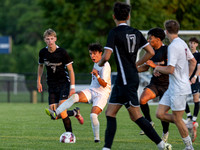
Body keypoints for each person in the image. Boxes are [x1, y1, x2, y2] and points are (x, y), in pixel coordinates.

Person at [98, 2, 171, 150]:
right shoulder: (136, 32)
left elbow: (106, 56)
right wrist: (136, 64)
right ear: (129, 16)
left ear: (114, 17)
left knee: (136, 115)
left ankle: (161, 144)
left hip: (126, 79)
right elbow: (150, 52)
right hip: (123, 78)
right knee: (110, 113)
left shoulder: (114, 32)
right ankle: (106, 148)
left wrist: (100, 63)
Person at [46, 43, 111, 143]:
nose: (92, 56)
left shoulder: (105, 65)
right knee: (74, 97)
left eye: (94, 54)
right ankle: (57, 112)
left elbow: (104, 85)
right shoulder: (96, 63)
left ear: (101, 53)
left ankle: (96, 139)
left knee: (93, 116)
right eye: (90, 54)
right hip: (92, 90)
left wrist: (97, 76)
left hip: (102, 94)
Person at [154, 20, 196, 150]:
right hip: (173, 87)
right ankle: (187, 124)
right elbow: (193, 62)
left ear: (166, 32)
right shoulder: (182, 43)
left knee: (177, 119)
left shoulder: (172, 47)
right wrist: (187, 77)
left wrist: (156, 67)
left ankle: (189, 147)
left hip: (178, 89)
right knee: (160, 114)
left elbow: (170, 70)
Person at [37, 28, 83, 136]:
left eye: (52, 39)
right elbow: (40, 66)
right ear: (44, 40)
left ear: (55, 39)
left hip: (63, 84)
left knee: (61, 111)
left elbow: (71, 70)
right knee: (53, 115)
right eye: (47, 39)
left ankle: (70, 135)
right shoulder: (42, 52)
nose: (50, 41)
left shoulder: (62, 52)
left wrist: (72, 87)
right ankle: (75, 112)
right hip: (51, 85)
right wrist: (38, 81)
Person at [137, 27, 170, 142]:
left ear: (158, 39)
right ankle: (149, 122)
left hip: (168, 85)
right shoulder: (150, 51)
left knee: (162, 113)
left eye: (150, 38)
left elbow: (170, 67)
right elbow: (145, 67)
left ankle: (165, 132)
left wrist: (155, 66)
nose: (148, 40)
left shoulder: (167, 50)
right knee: (142, 100)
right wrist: (133, 69)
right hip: (155, 84)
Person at [184, 37, 200, 142]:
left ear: (197, 45)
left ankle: (193, 120)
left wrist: (194, 77)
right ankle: (189, 117)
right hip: (185, 79)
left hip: (195, 80)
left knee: (196, 99)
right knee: (182, 98)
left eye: (194, 43)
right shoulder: (187, 54)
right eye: (190, 43)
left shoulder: (198, 55)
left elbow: (199, 68)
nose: (192, 44)